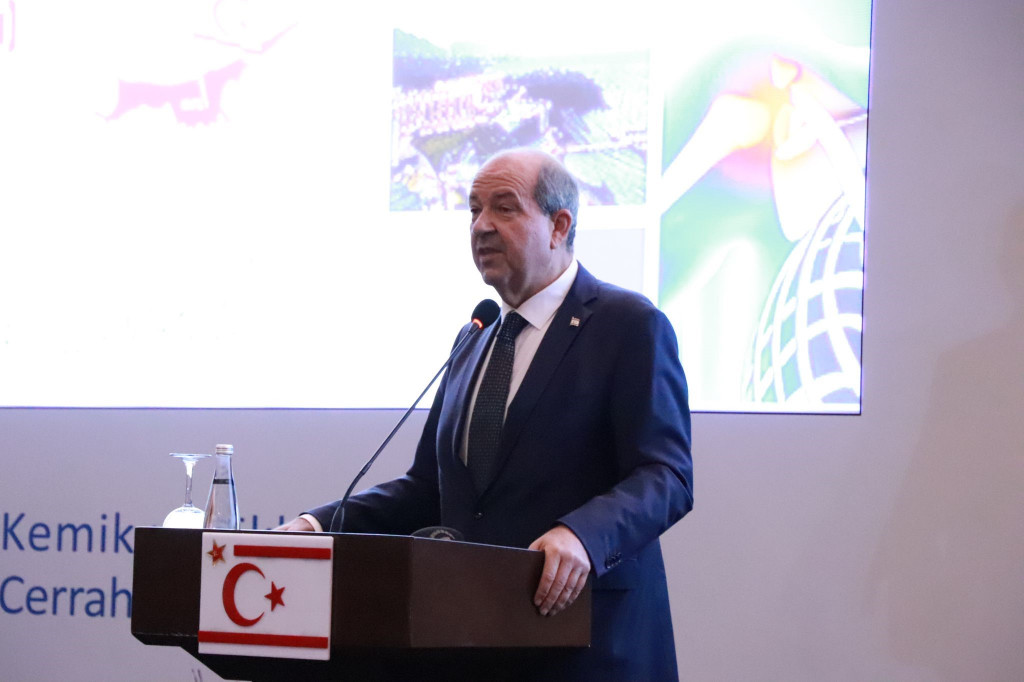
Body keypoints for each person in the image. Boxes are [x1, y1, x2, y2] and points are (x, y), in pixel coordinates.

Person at [279, 149, 693, 680]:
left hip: (589, 644)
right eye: (474, 210)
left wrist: (582, 536)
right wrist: (319, 525)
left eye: (504, 208)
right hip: (473, 643)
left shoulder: (627, 324)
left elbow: (666, 474)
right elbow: (428, 489)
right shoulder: (475, 337)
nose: (481, 226)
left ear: (559, 225)